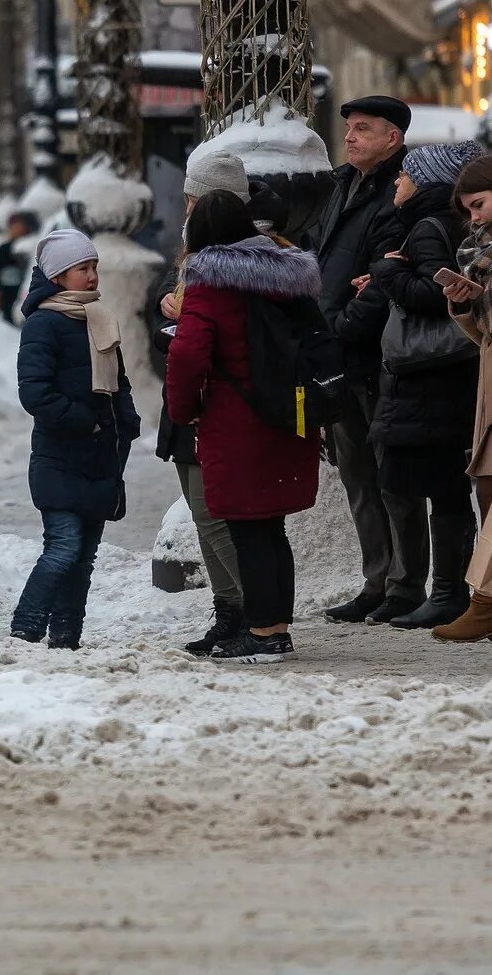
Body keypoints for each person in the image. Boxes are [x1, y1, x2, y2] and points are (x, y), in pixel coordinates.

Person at [166, 191, 322, 663]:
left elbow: (188, 354)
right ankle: (277, 628)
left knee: (248, 528)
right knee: (270, 527)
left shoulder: (209, 283)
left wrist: (183, 409)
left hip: (237, 421)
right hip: (288, 414)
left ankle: (262, 633)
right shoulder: (287, 274)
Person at [345, 142, 481, 629]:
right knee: (442, 483)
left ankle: (445, 593)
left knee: (435, 485)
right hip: (447, 373)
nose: (398, 183)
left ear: (425, 182)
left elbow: (430, 293)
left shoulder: (426, 227)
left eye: (406, 175)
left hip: (429, 375)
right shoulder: (451, 225)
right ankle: (448, 591)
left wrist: (385, 271)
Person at [314, 96, 423, 625]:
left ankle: (406, 583)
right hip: (338, 354)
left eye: (364, 129)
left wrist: (340, 325)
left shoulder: (398, 193)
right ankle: (375, 579)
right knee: (357, 473)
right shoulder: (341, 185)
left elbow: (385, 274)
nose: (351, 136)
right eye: (349, 128)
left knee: (391, 475)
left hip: (376, 354)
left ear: (392, 139)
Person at [12, 229, 140, 649]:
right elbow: (34, 392)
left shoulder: (99, 317)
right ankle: (25, 627)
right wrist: (84, 421)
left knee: (83, 559)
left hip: (102, 458)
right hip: (59, 457)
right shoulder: (44, 323)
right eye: (82, 269)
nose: (92, 276)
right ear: (58, 277)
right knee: (63, 548)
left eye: (94, 267)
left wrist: (127, 420)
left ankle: (67, 636)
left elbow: (118, 382)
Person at [154, 152, 250, 655]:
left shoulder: (236, 259)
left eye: (195, 199)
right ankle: (230, 610)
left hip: (211, 406)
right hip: (191, 405)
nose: (187, 209)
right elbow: (168, 328)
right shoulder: (193, 254)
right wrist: (166, 309)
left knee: (215, 516)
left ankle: (253, 613)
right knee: (202, 513)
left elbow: (206, 341)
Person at [435, 153, 492, 642]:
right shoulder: (478, 254)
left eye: (479, 204)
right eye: (468, 211)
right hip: (490, 391)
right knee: (487, 492)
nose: (474, 218)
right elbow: (485, 337)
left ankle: (484, 604)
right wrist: (463, 305)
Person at [0, 212, 34, 326]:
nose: (17, 229)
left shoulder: (29, 248)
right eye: (14, 226)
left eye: (20, 226)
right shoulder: (3, 248)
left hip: (22, 289)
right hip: (6, 291)